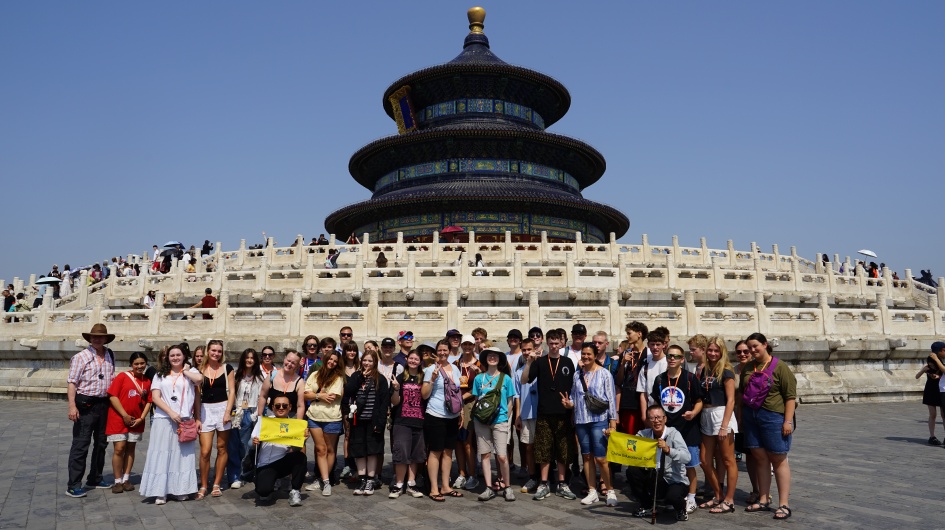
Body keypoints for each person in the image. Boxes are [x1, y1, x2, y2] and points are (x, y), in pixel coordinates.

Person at [741, 332, 797, 520]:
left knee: (778, 458)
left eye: (755, 346)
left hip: (773, 416)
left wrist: (787, 421)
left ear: (765, 344)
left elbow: (790, 396)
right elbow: (742, 393)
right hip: (751, 416)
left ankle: (784, 504)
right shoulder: (748, 367)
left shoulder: (780, 367)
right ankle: (764, 499)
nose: (752, 350)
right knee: (760, 458)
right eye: (750, 347)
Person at [139, 344, 204, 504]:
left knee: (182, 455)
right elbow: (155, 397)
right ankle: (160, 491)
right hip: (164, 418)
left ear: (184, 356)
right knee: (162, 453)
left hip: (184, 420)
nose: (175, 358)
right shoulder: (160, 374)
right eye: (172, 355)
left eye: (178, 355)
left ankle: (180, 489)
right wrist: (170, 412)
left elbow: (199, 380)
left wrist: (185, 371)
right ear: (167, 358)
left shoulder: (191, 372)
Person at [521, 328, 577, 501]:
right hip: (544, 412)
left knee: (563, 449)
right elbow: (524, 380)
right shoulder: (540, 362)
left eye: (556, 343)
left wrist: (572, 406)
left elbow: (574, 387)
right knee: (544, 449)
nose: (553, 346)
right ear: (547, 343)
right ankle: (544, 483)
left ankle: (562, 483)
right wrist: (529, 363)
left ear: (561, 343)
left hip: (563, 412)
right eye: (551, 343)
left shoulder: (567, 362)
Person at [65, 324, 118, 498]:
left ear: (106, 339)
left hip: (104, 404)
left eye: (100, 336)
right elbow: (72, 382)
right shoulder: (80, 357)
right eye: (94, 336)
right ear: (89, 338)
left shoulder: (110, 355)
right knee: (81, 444)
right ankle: (73, 484)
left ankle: (95, 477)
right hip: (86, 405)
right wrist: (72, 406)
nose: (97, 339)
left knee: (101, 443)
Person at [651, 344, 703, 514]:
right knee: (667, 462)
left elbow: (699, 401)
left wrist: (693, 413)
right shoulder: (660, 379)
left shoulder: (689, 378)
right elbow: (657, 403)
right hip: (667, 429)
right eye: (670, 356)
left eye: (676, 356)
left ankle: (692, 497)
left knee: (690, 464)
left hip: (687, 428)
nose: (672, 359)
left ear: (682, 359)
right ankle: (672, 494)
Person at [565, 343, 618, 506]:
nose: (586, 357)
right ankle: (592, 490)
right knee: (586, 456)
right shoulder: (577, 375)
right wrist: (569, 403)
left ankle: (610, 490)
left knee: (601, 458)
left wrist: (613, 423)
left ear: (595, 356)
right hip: (581, 420)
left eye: (589, 354)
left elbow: (611, 399)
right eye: (584, 354)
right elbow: (574, 396)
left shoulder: (604, 374)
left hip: (599, 420)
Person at [629, 405, 692, 521]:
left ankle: (681, 508)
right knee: (632, 470)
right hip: (654, 477)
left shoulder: (674, 434)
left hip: (673, 480)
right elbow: (628, 446)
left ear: (665, 419)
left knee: (673, 497)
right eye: (652, 418)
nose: (656, 421)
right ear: (648, 421)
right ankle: (647, 506)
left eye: (659, 417)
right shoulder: (643, 434)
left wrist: (668, 450)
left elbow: (687, 457)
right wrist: (611, 437)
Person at [697, 337, 738, 513]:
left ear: (722, 352)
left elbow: (731, 401)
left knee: (728, 459)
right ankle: (718, 494)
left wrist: (724, 426)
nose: (713, 353)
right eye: (710, 350)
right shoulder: (705, 369)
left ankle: (729, 499)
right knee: (704, 460)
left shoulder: (726, 371)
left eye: (716, 350)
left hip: (721, 414)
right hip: (706, 414)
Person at [472, 347, 518, 502]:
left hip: (500, 420)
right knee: (485, 454)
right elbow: (477, 400)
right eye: (489, 356)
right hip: (482, 421)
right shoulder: (479, 378)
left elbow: (510, 401)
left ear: (500, 360)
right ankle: (488, 487)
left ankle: (507, 486)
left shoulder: (506, 378)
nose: (492, 358)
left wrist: (506, 418)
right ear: (485, 359)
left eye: (495, 356)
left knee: (502, 456)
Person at [421, 339, 464, 501]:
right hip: (435, 415)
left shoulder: (455, 368)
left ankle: (446, 486)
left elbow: (457, 391)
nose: (442, 353)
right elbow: (424, 394)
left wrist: (461, 411)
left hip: (452, 416)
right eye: (440, 350)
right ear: (436, 352)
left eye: (445, 350)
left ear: (449, 351)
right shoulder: (430, 369)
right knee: (435, 451)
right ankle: (434, 488)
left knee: (448, 452)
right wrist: (432, 379)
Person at [344, 349, 390, 495]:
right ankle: (362, 479)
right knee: (359, 450)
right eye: (364, 360)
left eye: (370, 361)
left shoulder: (380, 379)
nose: (367, 363)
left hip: (372, 420)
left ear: (375, 362)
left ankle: (370, 480)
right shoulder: (356, 376)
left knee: (372, 451)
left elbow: (384, 403)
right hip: (357, 420)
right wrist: (360, 378)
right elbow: (348, 392)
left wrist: (381, 423)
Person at [106, 352, 152, 494]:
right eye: (136, 364)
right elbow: (112, 396)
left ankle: (126, 478)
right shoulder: (122, 376)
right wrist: (124, 415)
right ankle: (117, 480)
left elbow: (149, 401)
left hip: (136, 420)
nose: (139, 366)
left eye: (142, 363)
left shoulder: (147, 381)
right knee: (119, 448)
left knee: (131, 448)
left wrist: (142, 418)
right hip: (118, 418)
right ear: (131, 364)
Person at [252, 396, 308, 506]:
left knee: (300, 457)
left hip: (282, 461)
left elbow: (296, 448)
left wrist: (303, 439)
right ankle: (271, 482)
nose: (281, 408)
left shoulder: (295, 425)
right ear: (273, 407)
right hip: (265, 464)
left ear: (290, 407)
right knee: (263, 492)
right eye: (277, 406)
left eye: (284, 406)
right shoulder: (264, 422)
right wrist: (255, 442)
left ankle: (295, 490)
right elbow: (253, 444)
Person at [197, 340, 235, 499]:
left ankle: (217, 484)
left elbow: (232, 391)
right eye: (213, 350)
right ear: (208, 351)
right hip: (205, 409)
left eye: (219, 351)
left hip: (222, 408)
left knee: (221, 447)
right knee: (205, 451)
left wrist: (227, 412)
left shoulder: (227, 368)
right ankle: (203, 485)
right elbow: (196, 395)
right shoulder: (199, 369)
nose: (216, 353)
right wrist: (197, 417)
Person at [304, 351, 345, 496]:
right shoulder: (315, 375)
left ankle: (324, 480)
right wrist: (319, 395)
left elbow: (331, 398)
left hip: (331, 417)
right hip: (314, 416)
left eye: (335, 361)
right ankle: (324, 480)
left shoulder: (338, 377)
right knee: (320, 449)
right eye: (330, 359)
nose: (332, 362)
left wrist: (315, 395)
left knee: (330, 449)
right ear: (325, 359)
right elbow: (305, 394)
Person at [388, 350, 427, 499]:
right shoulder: (400, 378)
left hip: (419, 420)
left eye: (416, 359)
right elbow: (395, 402)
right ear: (407, 359)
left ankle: (411, 483)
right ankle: (399, 484)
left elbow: (425, 396)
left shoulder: (423, 378)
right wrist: (396, 389)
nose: (413, 361)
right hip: (402, 421)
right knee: (401, 452)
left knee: (415, 454)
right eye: (411, 358)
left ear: (420, 361)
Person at [227, 348, 264, 490]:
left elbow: (262, 397)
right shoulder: (236, 375)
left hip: (250, 412)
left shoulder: (259, 378)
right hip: (236, 412)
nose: (249, 360)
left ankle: (242, 473)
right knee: (233, 446)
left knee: (245, 446)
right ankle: (234, 476)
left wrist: (258, 415)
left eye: (252, 358)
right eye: (247, 357)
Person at [732, 340, 760, 504]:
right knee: (748, 455)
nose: (742, 354)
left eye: (745, 351)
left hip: (754, 416)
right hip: (736, 417)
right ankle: (755, 489)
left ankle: (763, 491)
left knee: (759, 455)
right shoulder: (733, 371)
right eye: (739, 352)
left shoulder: (758, 368)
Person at [452, 335, 481, 491]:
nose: (467, 347)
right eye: (465, 344)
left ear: (474, 346)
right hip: (456, 404)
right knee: (458, 440)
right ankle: (461, 473)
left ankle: (472, 474)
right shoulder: (456, 364)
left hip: (470, 403)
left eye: (470, 344)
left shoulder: (479, 364)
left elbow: (480, 386)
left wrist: (461, 398)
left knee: (467, 440)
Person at [514, 338, 540, 494]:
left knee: (542, 447)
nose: (526, 352)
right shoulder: (519, 372)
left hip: (541, 412)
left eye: (529, 349)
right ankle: (532, 476)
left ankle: (544, 477)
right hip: (526, 413)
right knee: (528, 447)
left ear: (535, 349)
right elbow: (517, 395)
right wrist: (518, 415)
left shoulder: (542, 366)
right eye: (523, 350)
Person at [615, 321, 648, 438]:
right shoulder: (625, 354)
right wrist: (623, 363)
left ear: (639, 334)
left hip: (644, 402)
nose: (627, 336)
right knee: (629, 439)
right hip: (628, 402)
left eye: (629, 333)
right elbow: (618, 382)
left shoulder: (649, 354)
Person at [257, 349, 305, 420]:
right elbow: (263, 396)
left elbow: (300, 405)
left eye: (293, 363)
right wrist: (259, 415)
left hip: (291, 418)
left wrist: (298, 423)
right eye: (288, 360)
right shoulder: (272, 375)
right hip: (271, 417)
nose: (289, 364)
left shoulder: (299, 381)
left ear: (297, 365)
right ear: (284, 358)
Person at [917, 342, 945, 445]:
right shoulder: (929, 366)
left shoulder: (941, 363)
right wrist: (924, 370)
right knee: (933, 414)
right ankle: (932, 436)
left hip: (941, 389)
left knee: (944, 414)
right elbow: (917, 376)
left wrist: (938, 376)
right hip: (931, 390)